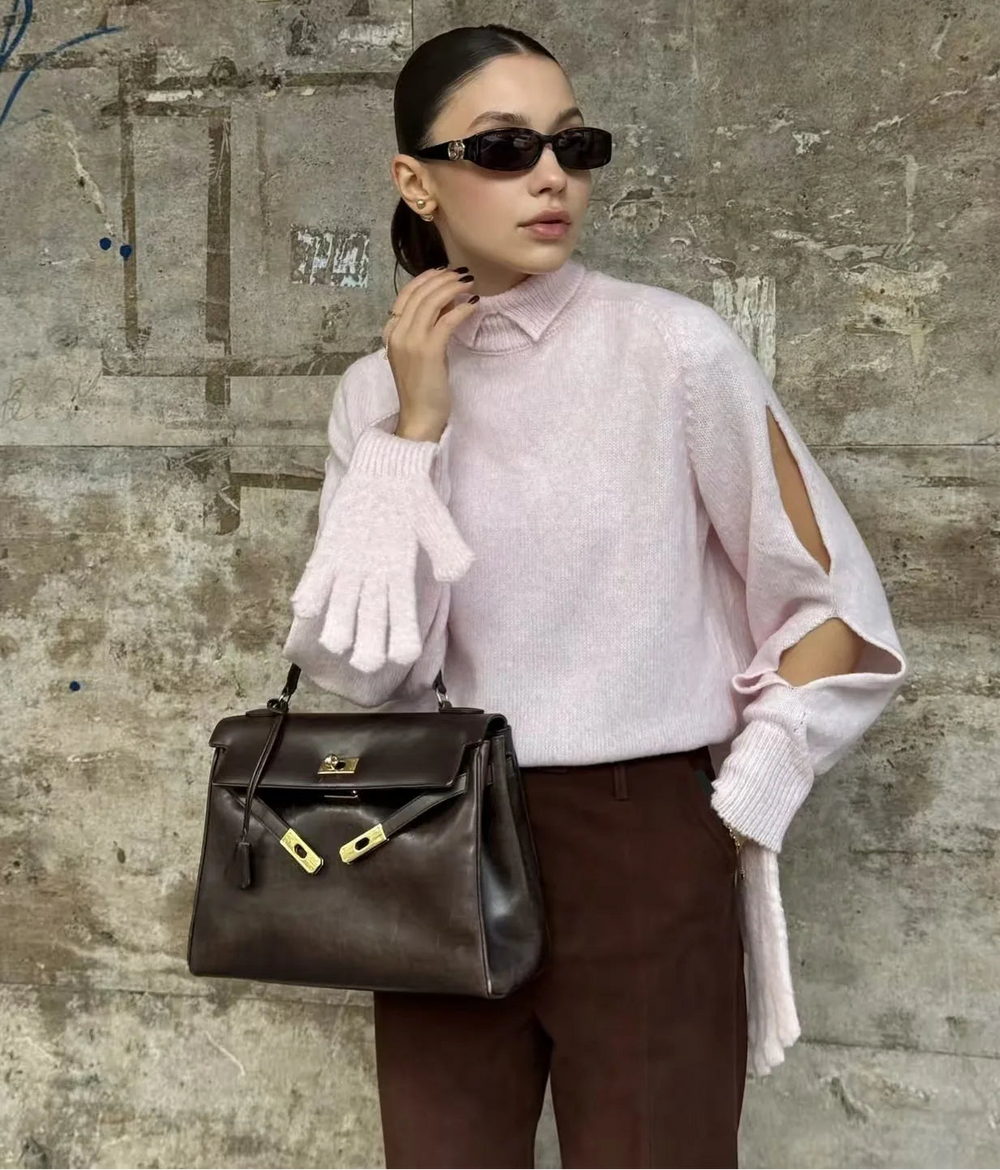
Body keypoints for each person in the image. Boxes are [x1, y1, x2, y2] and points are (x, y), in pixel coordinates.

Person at [282, 23, 909, 1170]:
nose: (549, 176)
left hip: (639, 838)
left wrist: (742, 793)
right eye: (504, 147)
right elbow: (357, 671)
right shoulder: (374, 396)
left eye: (573, 145)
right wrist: (413, 431)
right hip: (434, 837)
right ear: (415, 180)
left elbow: (834, 608)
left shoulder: (674, 352)